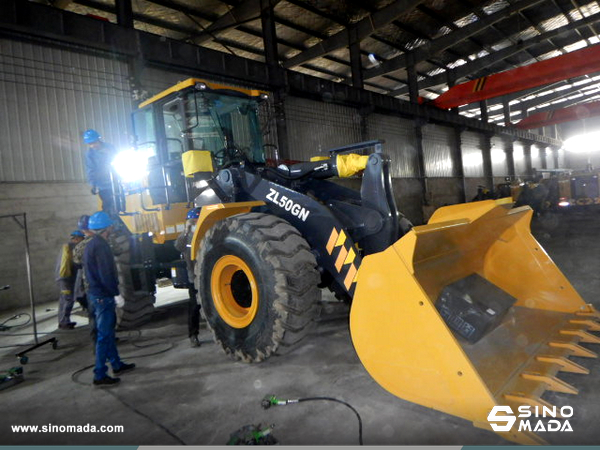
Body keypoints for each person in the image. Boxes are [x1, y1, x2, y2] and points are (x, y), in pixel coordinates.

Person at [83, 211, 135, 387]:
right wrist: (115, 293)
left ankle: (116, 364)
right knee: (104, 336)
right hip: (103, 296)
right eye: (110, 225)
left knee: (109, 333)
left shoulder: (92, 244)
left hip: (97, 294)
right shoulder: (101, 246)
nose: (112, 228)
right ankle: (99, 374)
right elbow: (106, 273)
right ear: (106, 228)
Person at [175, 207, 202, 347]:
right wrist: (186, 231)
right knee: (194, 307)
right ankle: (193, 335)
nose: (196, 223)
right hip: (194, 278)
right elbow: (178, 246)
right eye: (193, 221)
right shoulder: (186, 236)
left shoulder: (206, 232)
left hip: (207, 276)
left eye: (197, 220)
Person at [73, 214, 97, 345]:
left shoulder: (80, 246)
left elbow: (76, 261)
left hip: (88, 284)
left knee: (93, 314)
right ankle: (106, 339)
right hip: (101, 284)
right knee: (104, 314)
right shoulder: (101, 242)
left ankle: (96, 339)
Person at [83, 129, 117, 214]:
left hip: (116, 182)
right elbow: (91, 169)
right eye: (90, 144)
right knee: (107, 207)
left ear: (98, 140)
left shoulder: (110, 148)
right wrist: (93, 184)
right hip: (103, 185)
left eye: (94, 142)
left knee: (120, 205)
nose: (93, 145)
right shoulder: (90, 154)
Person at [55, 230, 84, 329]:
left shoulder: (66, 246)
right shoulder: (72, 247)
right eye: (81, 239)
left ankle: (63, 320)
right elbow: (76, 263)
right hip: (66, 278)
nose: (82, 241)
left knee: (64, 299)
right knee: (68, 299)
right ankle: (64, 322)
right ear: (76, 238)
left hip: (63, 278)